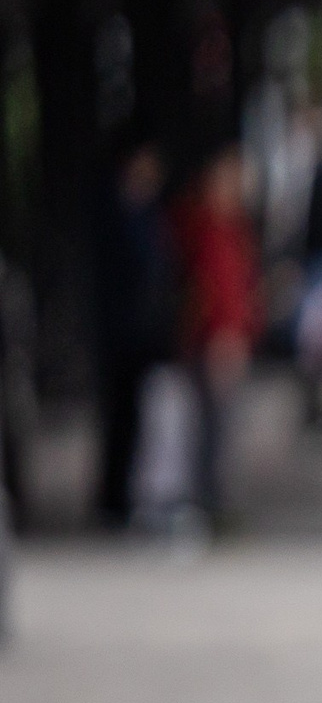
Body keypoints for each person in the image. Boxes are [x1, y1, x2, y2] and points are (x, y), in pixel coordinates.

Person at [169, 145, 261, 524]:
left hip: (228, 337)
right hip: (217, 341)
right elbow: (213, 290)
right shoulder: (206, 229)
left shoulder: (230, 227)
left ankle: (214, 501)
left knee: (220, 427)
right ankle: (207, 503)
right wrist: (223, 336)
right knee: (211, 428)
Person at [94, 141, 177, 525]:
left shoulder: (149, 213)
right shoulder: (115, 213)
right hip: (120, 333)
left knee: (140, 419)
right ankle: (114, 499)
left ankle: (130, 495)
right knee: (120, 418)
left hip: (144, 332)